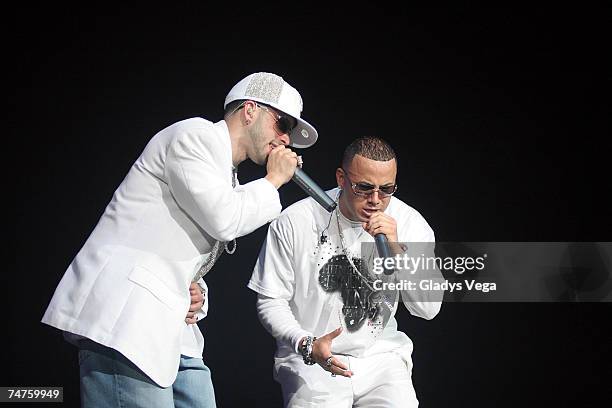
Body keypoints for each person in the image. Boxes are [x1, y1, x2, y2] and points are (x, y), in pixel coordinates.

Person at [42, 72, 318, 407]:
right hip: (128, 319)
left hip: (172, 330)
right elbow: (225, 220)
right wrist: (273, 180)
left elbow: (186, 241)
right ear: (250, 110)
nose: (286, 139)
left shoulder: (224, 173)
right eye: (282, 124)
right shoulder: (194, 135)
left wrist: (197, 289)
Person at [248, 136, 444, 407]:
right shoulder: (296, 221)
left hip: (381, 355)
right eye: (364, 187)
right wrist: (306, 344)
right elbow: (271, 301)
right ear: (341, 178)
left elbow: (429, 308)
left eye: (387, 189)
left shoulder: (410, 222)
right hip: (312, 357)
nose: (376, 200)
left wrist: (399, 251)